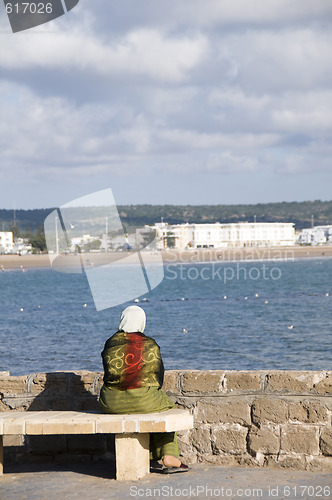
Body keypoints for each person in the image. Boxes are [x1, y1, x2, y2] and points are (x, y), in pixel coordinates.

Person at [99, 305, 189, 473]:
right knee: (167, 407)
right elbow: (158, 377)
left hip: (111, 402)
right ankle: (168, 455)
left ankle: (147, 456)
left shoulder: (110, 343)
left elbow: (108, 373)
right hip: (144, 399)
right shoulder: (150, 344)